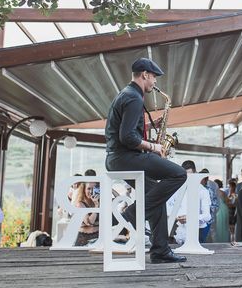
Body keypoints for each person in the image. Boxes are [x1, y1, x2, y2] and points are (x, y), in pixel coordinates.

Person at [104, 57, 187, 264]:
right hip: (126, 158)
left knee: (155, 197)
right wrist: (154, 147)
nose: (155, 82)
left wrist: (149, 126)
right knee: (179, 174)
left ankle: (160, 251)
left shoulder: (127, 94)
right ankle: (133, 213)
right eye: (154, 78)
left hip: (118, 158)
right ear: (144, 75)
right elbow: (127, 138)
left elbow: (126, 131)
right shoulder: (134, 98)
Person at [166, 160, 211, 245]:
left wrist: (190, 218)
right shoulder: (177, 189)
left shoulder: (203, 191)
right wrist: (177, 216)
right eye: (185, 176)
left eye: (190, 176)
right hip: (179, 230)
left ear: (195, 173)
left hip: (198, 231)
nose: (187, 179)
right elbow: (168, 206)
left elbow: (207, 216)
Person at [73, 181, 100, 246]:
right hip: (84, 238)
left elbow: (118, 200)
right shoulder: (80, 204)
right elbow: (90, 222)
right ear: (84, 190)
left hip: (97, 237)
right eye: (89, 188)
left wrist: (110, 189)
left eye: (94, 189)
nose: (91, 191)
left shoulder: (100, 203)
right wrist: (96, 206)